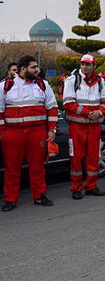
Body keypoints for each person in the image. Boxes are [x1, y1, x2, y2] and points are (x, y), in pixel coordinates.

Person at [1, 56, 58, 211]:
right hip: (13, 134)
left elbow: (52, 108)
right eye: (33, 67)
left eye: (36, 67)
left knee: (38, 167)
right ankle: (10, 200)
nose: (37, 70)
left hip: (37, 132)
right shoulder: (5, 86)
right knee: (11, 169)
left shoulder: (43, 84)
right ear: (23, 69)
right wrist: (3, 134)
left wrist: (52, 130)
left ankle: (39, 196)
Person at [62, 54, 105, 199]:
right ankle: (76, 188)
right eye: (82, 64)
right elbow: (68, 103)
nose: (84, 67)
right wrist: (89, 113)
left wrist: (100, 111)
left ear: (94, 66)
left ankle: (91, 186)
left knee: (94, 157)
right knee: (76, 158)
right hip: (77, 127)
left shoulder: (100, 81)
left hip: (94, 126)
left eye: (88, 64)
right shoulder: (72, 80)